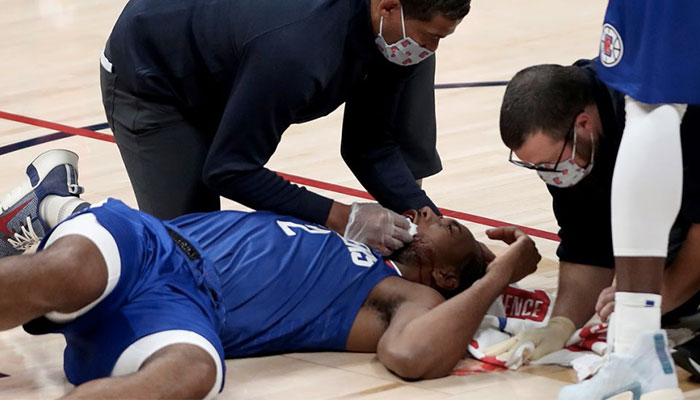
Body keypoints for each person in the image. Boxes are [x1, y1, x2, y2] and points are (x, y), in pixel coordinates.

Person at [0, 149, 540, 399]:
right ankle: (58, 217)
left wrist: (503, 271)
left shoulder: (401, 297)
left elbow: (414, 356)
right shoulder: (366, 243)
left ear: (443, 276)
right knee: (68, 268)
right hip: (153, 246)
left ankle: (52, 212)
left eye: (446, 225)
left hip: (185, 315)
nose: (425, 212)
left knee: (194, 375)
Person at [100, 0, 471, 255]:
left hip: (228, 59)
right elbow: (229, 169)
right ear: (389, 7)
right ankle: (55, 206)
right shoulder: (299, 51)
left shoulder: (394, 35)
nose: (430, 49)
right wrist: (345, 217)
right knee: (186, 253)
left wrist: (433, 222)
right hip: (153, 79)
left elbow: (369, 145)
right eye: (430, 37)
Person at [494, 56, 700, 399]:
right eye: (536, 167)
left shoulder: (678, 112)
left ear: (584, 124)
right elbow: (585, 243)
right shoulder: (568, 150)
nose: (548, 174)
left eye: (547, 164)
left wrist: (643, 305)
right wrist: (561, 325)